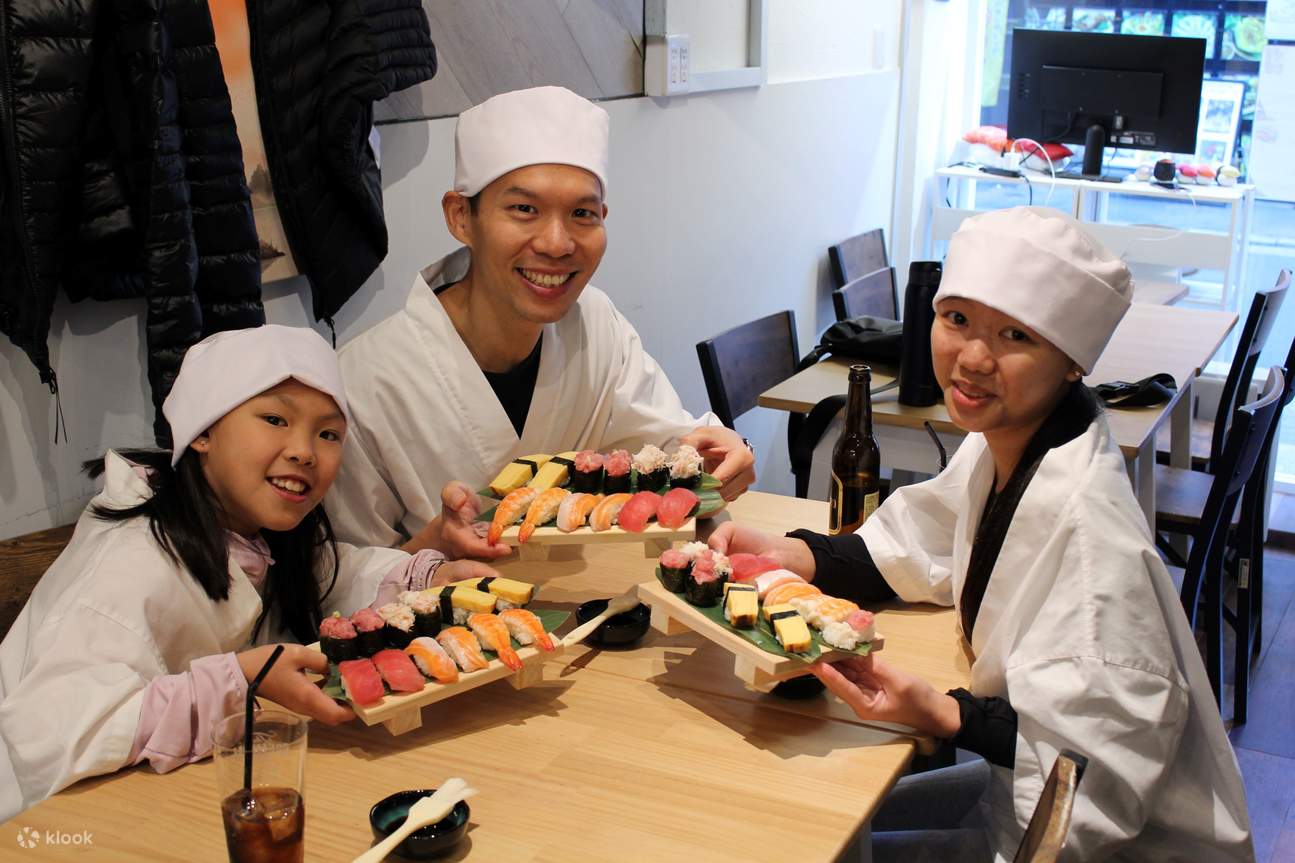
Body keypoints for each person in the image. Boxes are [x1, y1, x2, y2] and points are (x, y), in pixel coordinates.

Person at [710, 207, 1253, 860]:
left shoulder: (1090, 540)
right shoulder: (1018, 439)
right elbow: (926, 539)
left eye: (1015, 335)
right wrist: (794, 552)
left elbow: (1092, 772)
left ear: (1071, 362)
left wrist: (942, 710)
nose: (970, 358)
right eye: (956, 318)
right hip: (1009, 794)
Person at [0, 326, 496, 821]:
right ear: (203, 432)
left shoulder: (257, 527)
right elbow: (46, 736)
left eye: (328, 433)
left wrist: (427, 576)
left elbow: (337, 576)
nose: (305, 451)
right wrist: (238, 683)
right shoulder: (131, 562)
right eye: (275, 419)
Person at [326, 86, 755, 557]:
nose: (556, 243)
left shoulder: (597, 325)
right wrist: (433, 547)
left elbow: (665, 450)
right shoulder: (364, 380)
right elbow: (337, 575)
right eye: (524, 209)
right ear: (460, 217)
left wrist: (720, 456)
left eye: (581, 214)